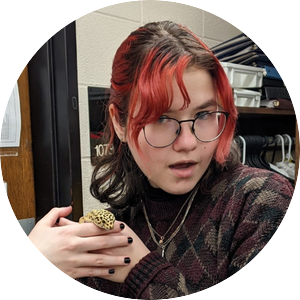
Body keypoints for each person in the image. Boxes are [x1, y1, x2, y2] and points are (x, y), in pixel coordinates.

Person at [29, 21, 293, 299]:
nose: (188, 143)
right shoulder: (114, 230)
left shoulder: (261, 203)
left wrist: (142, 271)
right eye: (161, 118)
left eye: (203, 115)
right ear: (119, 124)